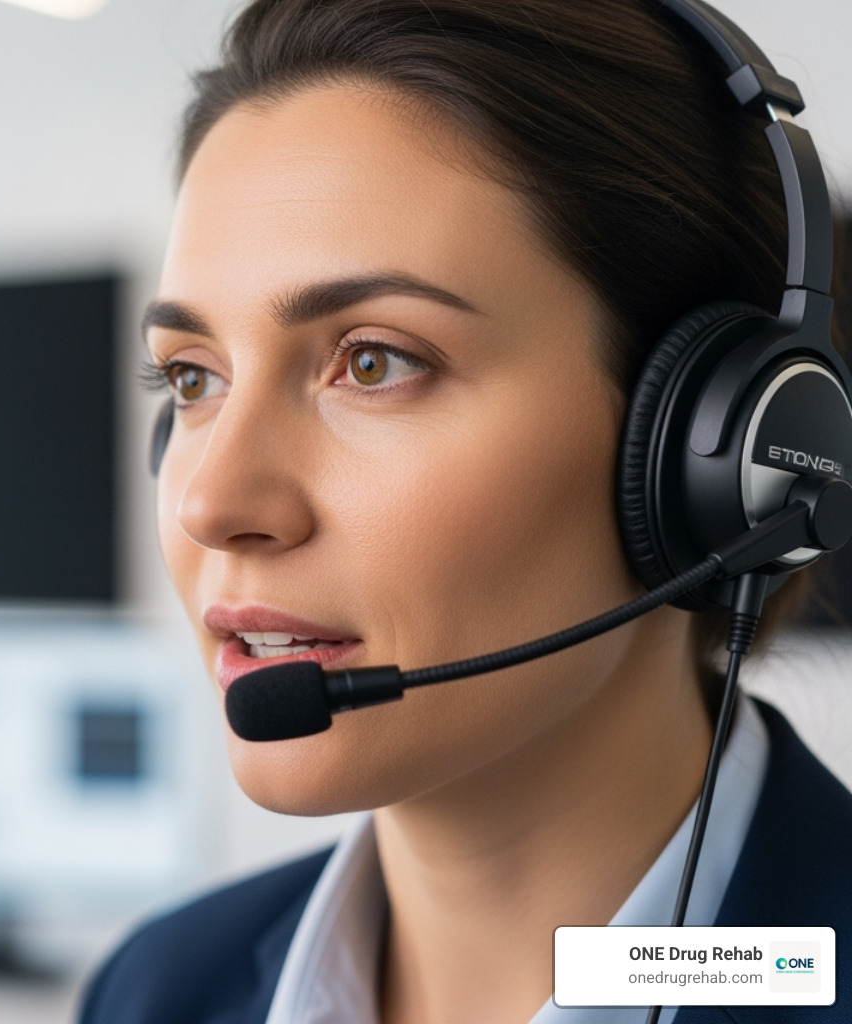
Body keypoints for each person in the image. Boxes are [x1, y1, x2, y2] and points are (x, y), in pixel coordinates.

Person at [78, 1, 852, 1022]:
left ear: (714, 453)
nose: (211, 504)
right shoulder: (156, 989)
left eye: (374, 362)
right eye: (191, 377)